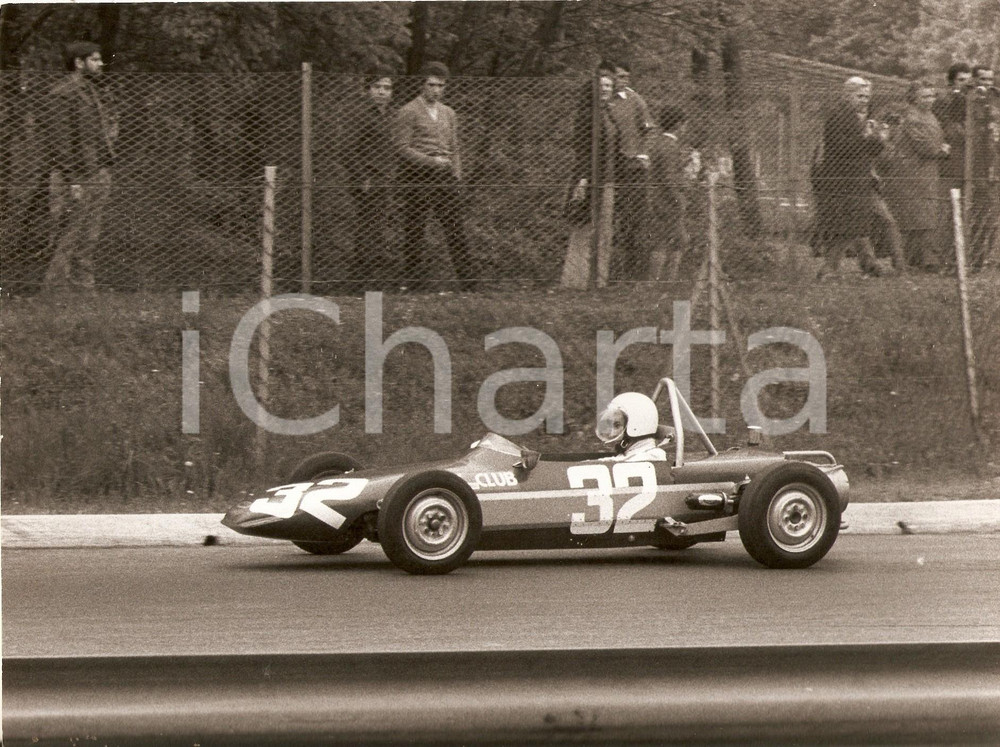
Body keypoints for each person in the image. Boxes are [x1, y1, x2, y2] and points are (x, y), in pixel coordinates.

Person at [393, 61, 475, 290]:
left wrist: (456, 175)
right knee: (415, 227)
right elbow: (402, 147)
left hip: (444, 175)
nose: (436, 90)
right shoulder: (408, 111)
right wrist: (430, 160)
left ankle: (468, 282)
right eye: (431, 85)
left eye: (440, 86)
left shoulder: (449, 113)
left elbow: (455, 147)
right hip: (417, 175)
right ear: (422, 85)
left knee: (455, 226)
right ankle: (413, 283)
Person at [43, 40, 117, 293]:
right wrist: (72, 179)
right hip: (74, 177)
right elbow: (60, 142)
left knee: (89, 236)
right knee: (67, 235)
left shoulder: (92, 91)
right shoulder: (62, 93)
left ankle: (84, 293)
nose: (100, 64)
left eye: (99, 59)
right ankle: (55, 295)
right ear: (78, 63)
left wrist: (103, 168)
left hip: (96, 173)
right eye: (94, 60)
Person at [813, 77, 895, 278]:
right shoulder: (839, 116)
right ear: (846, 94)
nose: (864, 100)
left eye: (867, 96)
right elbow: (844, 148)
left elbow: (867, 151)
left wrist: (878, 140)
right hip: (842, 179)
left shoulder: (857, 116)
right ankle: (829, 269)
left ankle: (868, 265)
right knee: (849, 226)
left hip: (857, 178)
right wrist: (871, 138)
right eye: (859, 95)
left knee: (856, 225)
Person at [881, 79, 951, 270]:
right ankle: (908, 261)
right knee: (911, 216)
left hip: (926, 172)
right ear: (914, 98)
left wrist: (939, 149)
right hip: (910, 172)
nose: (930, 100)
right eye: (925, 96)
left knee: (925, 215)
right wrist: (942, 150)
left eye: (932, 95)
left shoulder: (929, 115)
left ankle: (922, 260)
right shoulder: (912, 117)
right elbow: (925, 147)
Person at [561, 64, 617, 289]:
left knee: (604, 230)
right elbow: (582, 148)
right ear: (593, 87)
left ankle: (598, 280)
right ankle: (576, 280)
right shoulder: (587, 115)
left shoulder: (608, 112)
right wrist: (584, 178)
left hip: (609, 177)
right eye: (602, 85)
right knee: (584, 228)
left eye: (609, 85)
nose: (606, 89)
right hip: (590, 178)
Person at [343, 70, 396, 290]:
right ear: (368, 90)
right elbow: (346, 149)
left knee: (377, 226)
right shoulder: (361, 115)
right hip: (367, 179)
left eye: (387, 88)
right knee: (367, 225)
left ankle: (371, 277)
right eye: (377, 87)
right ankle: (360, 278)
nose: (382, 92)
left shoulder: (391, 115)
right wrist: (361, 176)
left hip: (385, 178)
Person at [606, 61, 656, 281]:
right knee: (611, 219)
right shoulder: (602, 101)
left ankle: (634, 273)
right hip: (609, 168)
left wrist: (642, 154)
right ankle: (609, 272)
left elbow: (649, 130)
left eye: (626, 77)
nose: (622, 81)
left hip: (632, 168)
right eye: (619, 77)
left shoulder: (635, 100)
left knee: (634, 219)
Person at [645, 104, 692, 282]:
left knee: (676, 239)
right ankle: (661, 281)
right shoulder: (669, 146)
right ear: (679, 124)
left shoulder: (660, 143)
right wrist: (679, 198)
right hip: (668, 201)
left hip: (659, 198)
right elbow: (669, 178)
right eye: (684, 124)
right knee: (671, 241)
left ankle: (663, 280)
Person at [968, 64, 999, 272]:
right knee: (981, 212)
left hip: (995, 161)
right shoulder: (970, 98)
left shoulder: (996, 97)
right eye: (983, 80)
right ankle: (976, 258)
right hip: (977, 162)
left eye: (990, 80)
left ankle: (989, 257)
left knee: (993, 213)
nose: (987, 84)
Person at [596, 392, 668, 461]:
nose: (612, 434)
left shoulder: (653, 455)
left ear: (635, 426)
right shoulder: (629, 453)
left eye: (617, 425)